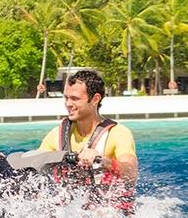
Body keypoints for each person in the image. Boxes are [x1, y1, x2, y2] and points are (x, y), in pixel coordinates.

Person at [38, 68, 137, 208]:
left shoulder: (118, 133)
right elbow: (37, 163)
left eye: (75, 99)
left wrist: (101, 161)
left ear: (95, 99)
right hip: (73, 215)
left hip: (111, 216)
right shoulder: (56, 134)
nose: (68, 104)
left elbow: (131, 173)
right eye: (66, 98)